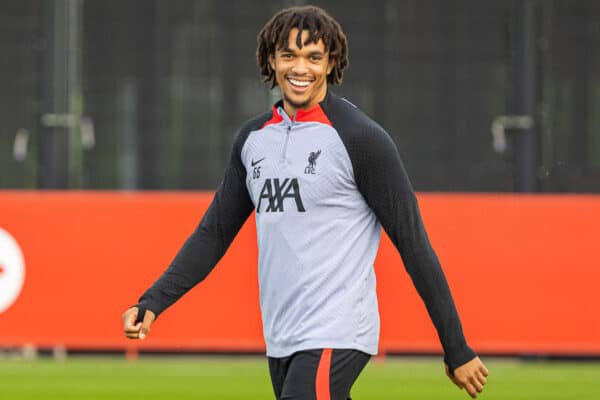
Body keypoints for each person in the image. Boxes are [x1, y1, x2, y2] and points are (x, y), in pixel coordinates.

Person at [122, 5, 489, 399]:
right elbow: (213, 234)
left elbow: (413, 243)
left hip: (338, 328)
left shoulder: (361, 139)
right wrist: (154, 300)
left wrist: (456, 347)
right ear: (270, 60)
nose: (301, 68)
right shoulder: (252, 140)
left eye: (314, 57)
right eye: (289, 55)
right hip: (282, 335)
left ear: (332, 63)